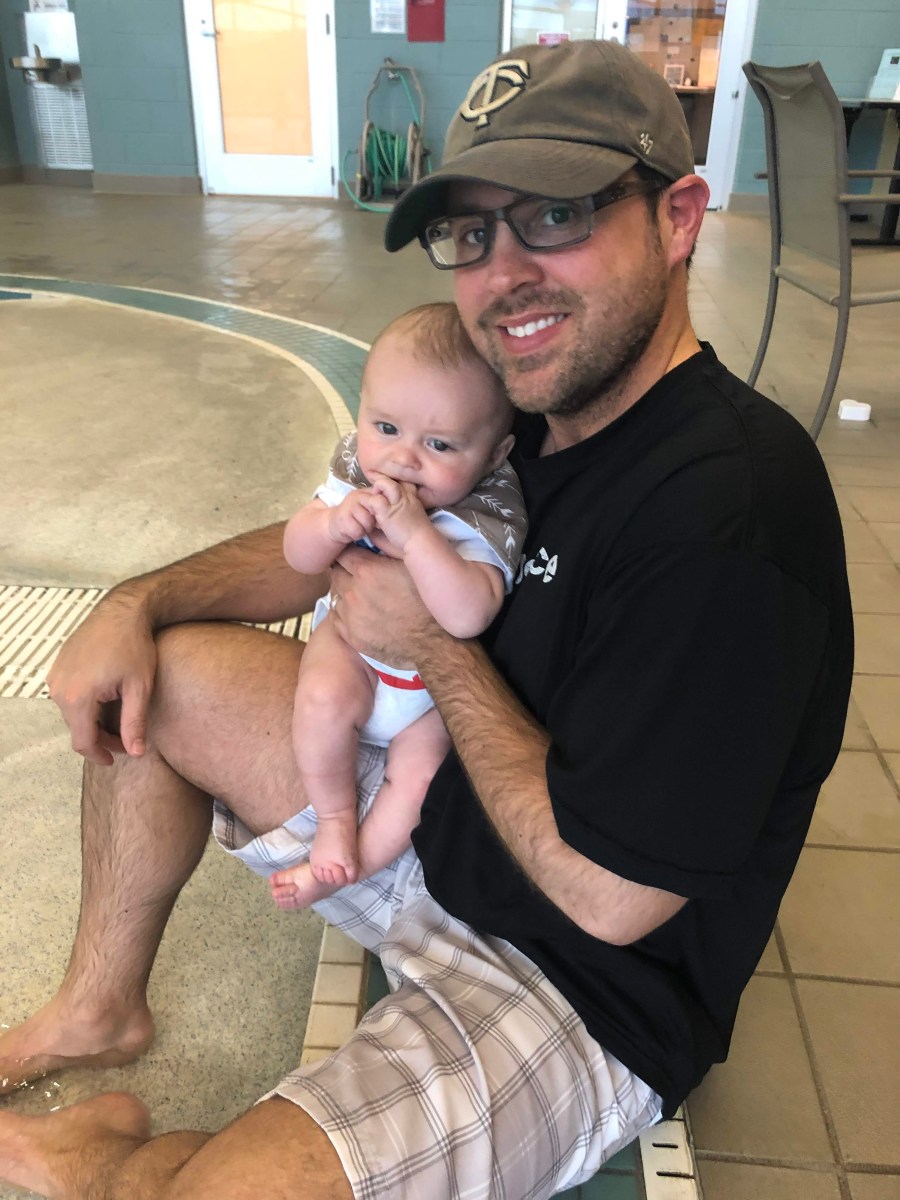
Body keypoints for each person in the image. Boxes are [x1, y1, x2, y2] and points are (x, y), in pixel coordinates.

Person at [0, 37, 852, 1200]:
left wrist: (433, 648)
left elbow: (613, 900)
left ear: (680, 217)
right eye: (472, 233)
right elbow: (336, 540)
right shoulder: (520, 411)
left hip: (581, 990)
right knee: (154, 672)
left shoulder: (732, 511)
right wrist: (135, 599)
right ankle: (97, 1008)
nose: (505, 273)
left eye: (556, 213)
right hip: (440, 829)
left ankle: (105, 1160)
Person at [273, 302, 524, 906]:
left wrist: (417, 538)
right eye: (385, 428)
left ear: (494, 455)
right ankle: (335, 821)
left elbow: (468, 615)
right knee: (320, 701)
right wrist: (330, 524)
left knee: (420, 778)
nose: (404, 458)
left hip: (431, 696)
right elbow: (298, 555)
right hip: (351, 652)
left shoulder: (488, 507)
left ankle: (351, 866)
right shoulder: (356, 473)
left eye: (439, 444)